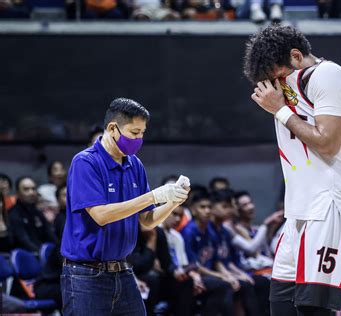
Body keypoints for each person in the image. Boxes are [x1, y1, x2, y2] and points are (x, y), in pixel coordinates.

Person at [244, 24, 341, 315]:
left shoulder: (329, 75)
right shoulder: (290, 85)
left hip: (330, 207)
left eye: (279, 77)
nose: (277, 85)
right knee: (280, 306)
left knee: (314, 310)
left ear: (296, 57)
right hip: (297, 213)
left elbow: (328, 143)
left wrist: (280, 110)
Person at [60, 98, 190, 316]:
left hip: (123, 271)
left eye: (142, 133)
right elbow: (100, 215)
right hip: (85, 274)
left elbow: (147, 221)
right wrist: (152, 196)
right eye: (134, 132)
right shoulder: (86, 162)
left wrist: (172, 201)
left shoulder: (134, 164)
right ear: (113, 128)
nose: (139, 139)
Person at [181, 189, 236, 315]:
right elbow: (194, 265)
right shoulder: (189, 232)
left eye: (209, 207)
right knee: (223, 285)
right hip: (194, 275)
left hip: (209, 274)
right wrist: (220, 276)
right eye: (202, 207)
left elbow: (217, 260)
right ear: (193, 210)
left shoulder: (211, 231)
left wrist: (227, 274)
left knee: (231, 284)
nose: (207, 211)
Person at [8, 176, 57, 252]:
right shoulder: (13, 214)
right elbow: (24, 242)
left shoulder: (37, 212)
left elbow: (50, 235)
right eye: (26, 189)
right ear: (17, 193)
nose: (31, 193)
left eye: (33, 189)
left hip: (44, 254)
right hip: (28, 257)